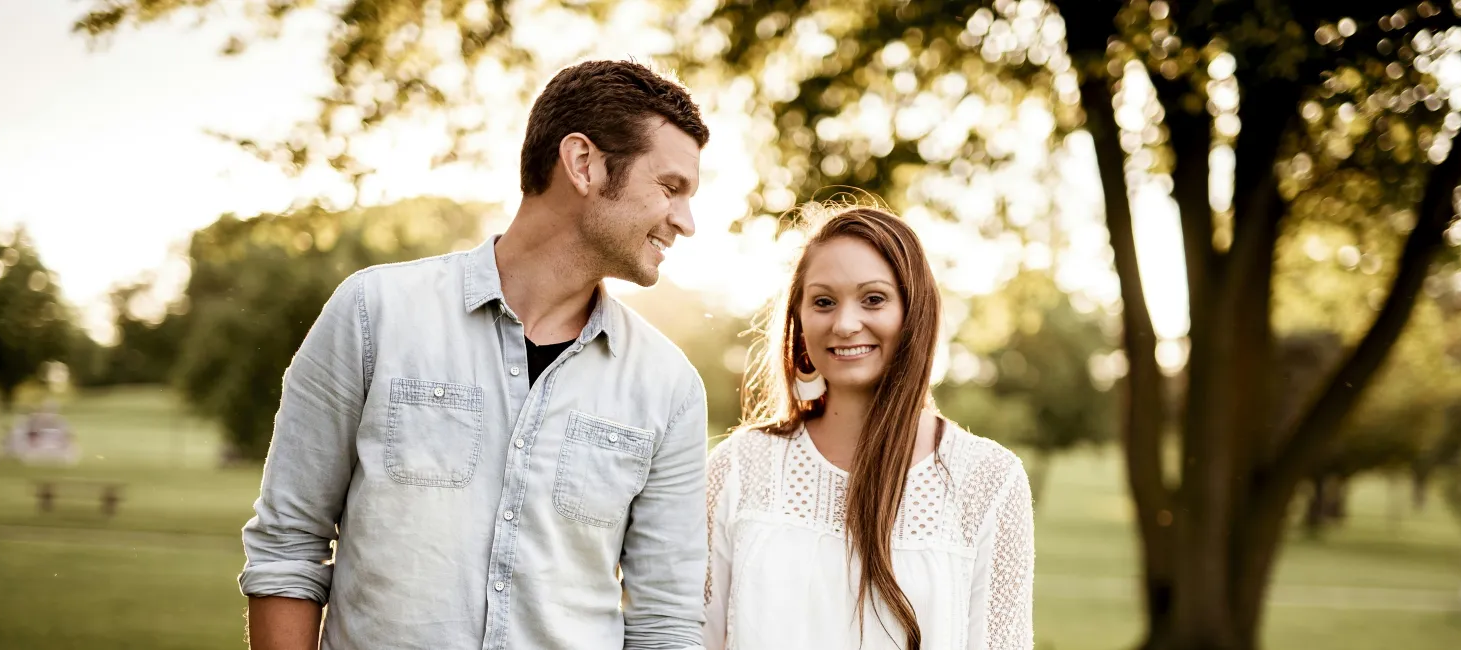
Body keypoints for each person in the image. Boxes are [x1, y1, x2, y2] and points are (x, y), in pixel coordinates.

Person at [240, 60, 713, 650]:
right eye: (670, 188)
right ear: (584, 163)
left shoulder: (669, 387)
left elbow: (664, 622)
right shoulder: (373, 313)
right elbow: (289, 545)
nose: (685, 222)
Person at [703, 206, 1035, 650]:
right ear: (799, 322)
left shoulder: (989, 480)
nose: (844, 323)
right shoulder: (739, 469)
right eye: (823, 301)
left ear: (914, 312)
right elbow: (688, 636)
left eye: (874, 299)